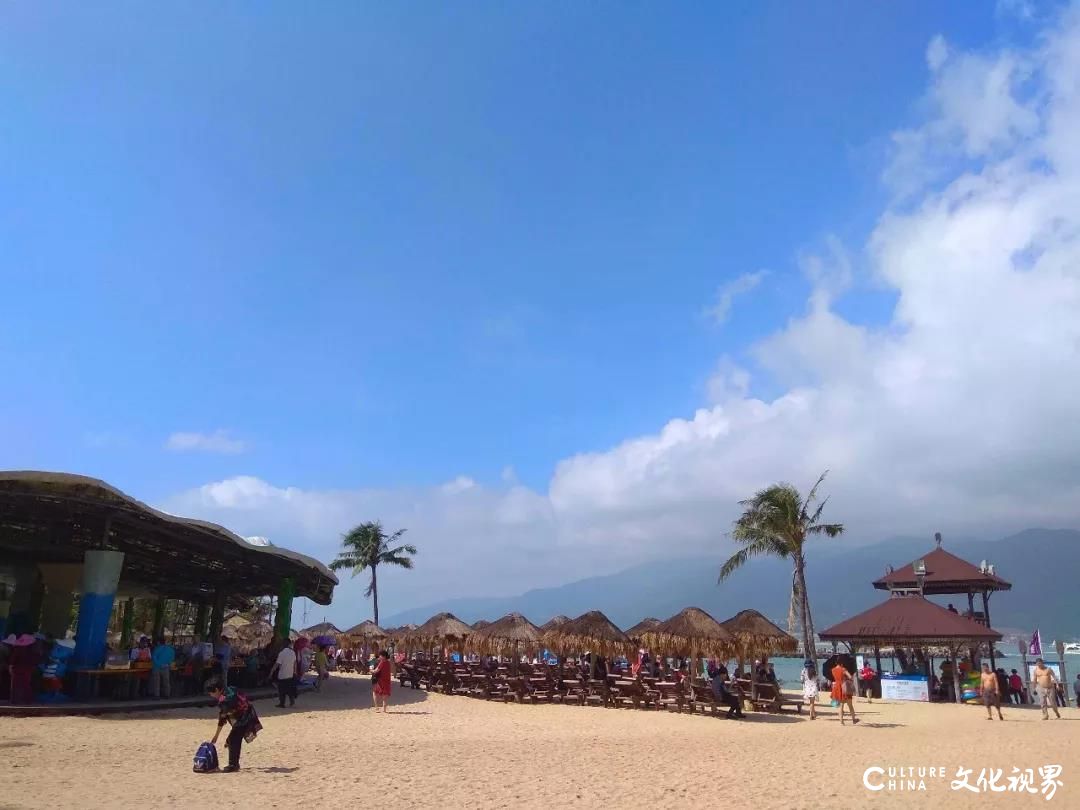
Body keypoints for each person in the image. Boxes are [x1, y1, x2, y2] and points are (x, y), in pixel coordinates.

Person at [206, 676, 263, 773]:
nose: (210, 695)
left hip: (243, 720)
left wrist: (216, 736)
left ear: (216, 690)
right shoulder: (231, 689)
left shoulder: (224, 700)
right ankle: (234, 763)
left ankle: (233, 765)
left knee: (233, 739)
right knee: (233, 738)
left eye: (211, 693)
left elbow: (222, 719)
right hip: (249, 713)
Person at [270, 641, 298, 708]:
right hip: (290, 674)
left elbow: (277, 664)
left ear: (282, 646)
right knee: (289, 689)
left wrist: (272, 671)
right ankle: (292, 700)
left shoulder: (281, 653)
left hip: (283, 674)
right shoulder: (293, 652)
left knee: (281, 690)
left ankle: (282, 703)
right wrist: (295, 671)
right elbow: (295, 663)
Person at [831, 660, 859, 725]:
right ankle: (854, 719)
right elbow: (850, 677)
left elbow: (836, 678)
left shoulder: (833, 670)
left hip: (837, 687)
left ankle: (841, 721)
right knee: (850, 705)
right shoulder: (843, 669)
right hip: (844, 687)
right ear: (841, 663)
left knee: (841, 705)